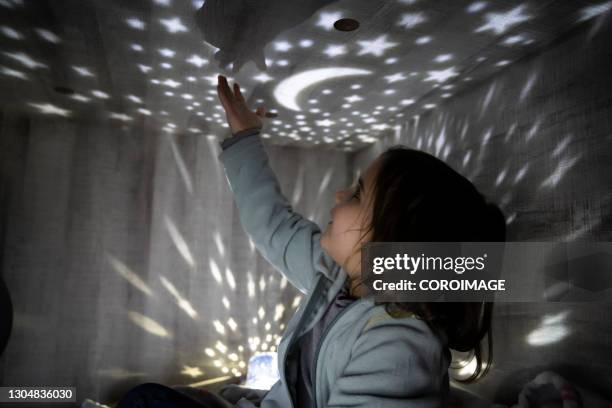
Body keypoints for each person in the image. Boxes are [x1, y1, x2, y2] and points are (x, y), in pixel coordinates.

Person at [116, 75, 506, 407]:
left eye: (356, 194)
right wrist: (245, 136)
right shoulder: (336, 277)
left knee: (146, 401)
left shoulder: (400, 346)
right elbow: (273, 225)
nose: (338, 195)